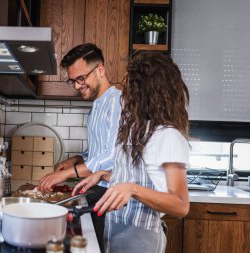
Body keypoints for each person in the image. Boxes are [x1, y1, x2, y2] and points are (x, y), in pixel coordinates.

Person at [72, 51, 190, 253]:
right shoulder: (138, 130)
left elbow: (180, 205)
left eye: (129, 87)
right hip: (116, 231)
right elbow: (140, 178)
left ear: (147, 92)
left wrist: (132, 189)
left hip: (140, 238)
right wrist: (105, 175)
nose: (123, 92)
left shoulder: (168, 136)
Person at [37, 43, 121, 252]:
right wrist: (74, 160)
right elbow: (96, 152)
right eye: (72, 81)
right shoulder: (96, 106)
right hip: (96, 190)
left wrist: (66, 175)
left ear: (100, 69)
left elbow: (110, 157)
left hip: (111, 195)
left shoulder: (117, 102)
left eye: (80, 79)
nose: (76, 86)